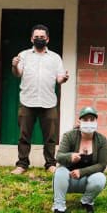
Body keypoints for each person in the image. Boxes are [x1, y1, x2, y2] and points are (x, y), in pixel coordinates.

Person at [11, 24, 68, 174]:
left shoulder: (55, 58)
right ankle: (22, 164)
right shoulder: (23, 55)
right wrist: (14, 65)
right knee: (24, 136)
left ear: (47, 39)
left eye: (42, 37)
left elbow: (59, 78)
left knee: (50, 137)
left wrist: (64, 78)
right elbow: (18, 74)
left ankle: (50, 164)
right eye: (36, 37)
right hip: (27, 101)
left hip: (48, 102)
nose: (39, 39)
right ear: (31, 39)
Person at [52, 106, 107, 213]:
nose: (89, 122)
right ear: (80, 121)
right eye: (85, 119)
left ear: (96, 122)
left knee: (100, 178)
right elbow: (58, 156)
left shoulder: (101, 140)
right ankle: (59, 206)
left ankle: (86, 201)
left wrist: (81, 172)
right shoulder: (69, 136)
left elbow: (102, 165)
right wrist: (70, 156)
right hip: (67, 179)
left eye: (92, 119)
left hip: (87, 180)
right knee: (59, 172)